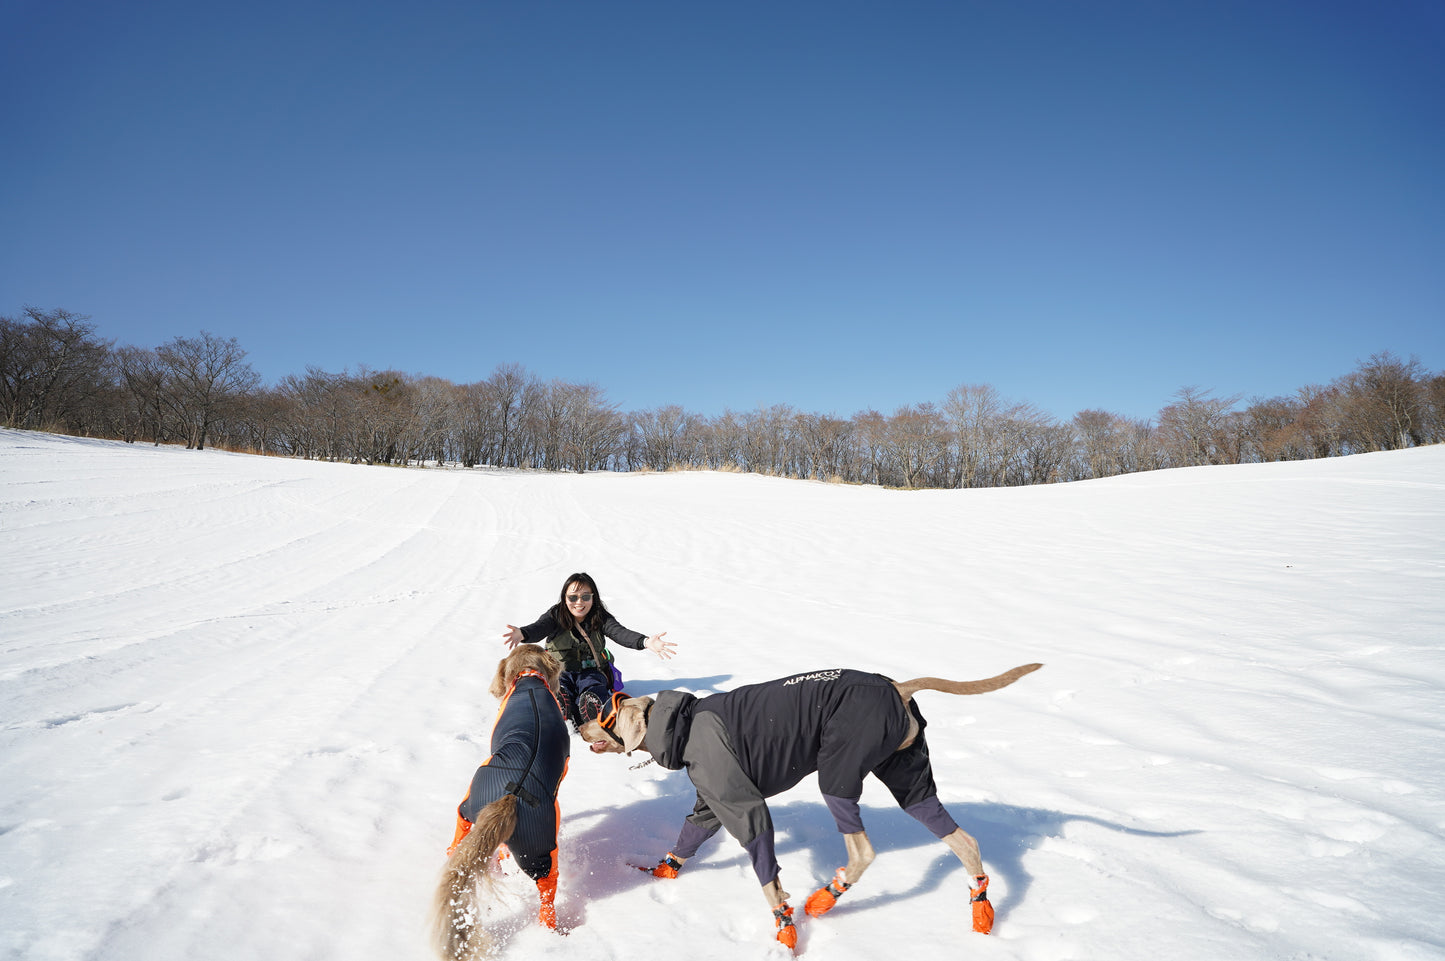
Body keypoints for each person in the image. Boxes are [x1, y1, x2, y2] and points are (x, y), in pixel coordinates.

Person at [503, 572, 675, 729]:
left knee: (594, 685)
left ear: (593, 598)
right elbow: (539, 627)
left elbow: (619, 632)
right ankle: (560, 704)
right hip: (560, 670)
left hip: (591, 670)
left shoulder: (599, 617)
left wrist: (645, 642)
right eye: (573, 597)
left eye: (585, 596)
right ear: (564, 598)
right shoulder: (556, 615)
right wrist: (523, 633)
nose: (579, 602)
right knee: (560, 685)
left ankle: (591, 705)